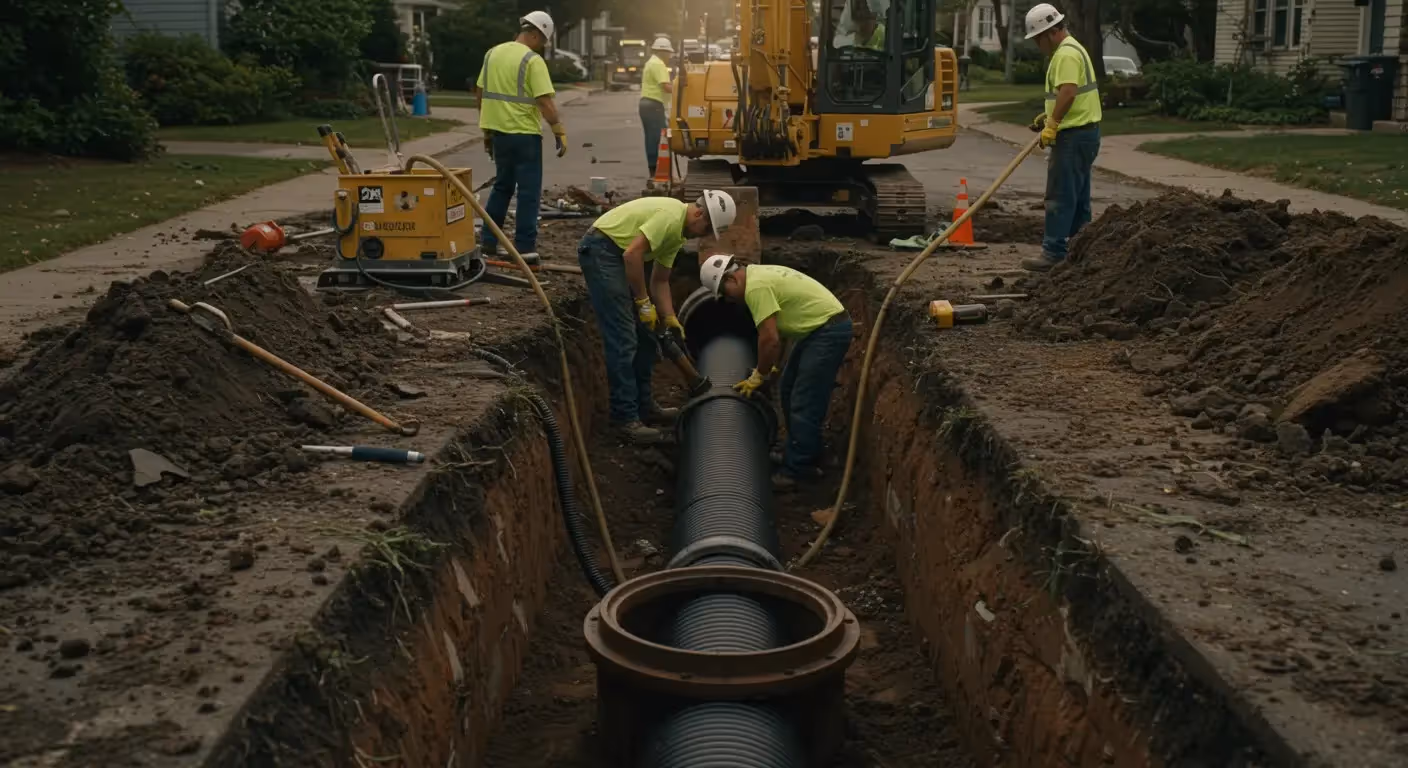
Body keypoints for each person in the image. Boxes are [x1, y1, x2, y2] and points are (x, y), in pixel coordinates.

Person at [579, 191, 738, 444]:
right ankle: (625, 419)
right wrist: (643, 303)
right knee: (623, 338)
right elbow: (632, 255)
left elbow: (661, 280)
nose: (702, 236)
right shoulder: (670, 217)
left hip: (619, 255)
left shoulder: (678, 233)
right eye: (706, 229)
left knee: (646, 337)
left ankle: (644, 407)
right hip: (602, 250)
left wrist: (669, 317)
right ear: (699, 213)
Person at [700, 256, 852, 489]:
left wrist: (759, 376)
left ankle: (798, 470)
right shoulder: (758, 275)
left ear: (731, 278)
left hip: (827, 332)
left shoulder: (755, 288)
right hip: (817, 329)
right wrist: (770, 366)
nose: (729, 299)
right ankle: (800, 448)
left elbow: (769, 338)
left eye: (725, 292)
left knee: (804, 400)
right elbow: (777, 337)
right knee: (788, 388)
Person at [475, 11, 567, 261]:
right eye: (543, 41)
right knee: (528, 191)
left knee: (502, 186)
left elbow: (480, 93)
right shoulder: (532, 61)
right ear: (535, 34)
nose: (542, 47)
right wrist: (558, 130)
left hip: (499, 134)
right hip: (524, 135)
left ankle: (488, 242)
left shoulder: (492, 54)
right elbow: (545, 102)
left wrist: (486, 131)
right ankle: (525, 247)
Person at [1019, 3, 1102, 273]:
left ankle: (1054, 252)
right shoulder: (1074, 48)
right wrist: (1047, 118)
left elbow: (1068, 91)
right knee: (1078, 197)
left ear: (1050, 32)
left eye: (1037, 40)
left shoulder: (1065, 54)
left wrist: (1053, 123)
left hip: (1073, 135)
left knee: (1060, 195)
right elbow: (1067, 97)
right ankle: (1081, 250)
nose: (1037, 46)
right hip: (1084, 133)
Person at [641, 37, 675, 181]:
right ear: (663, 52)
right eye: (668, 53)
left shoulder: (651, 62)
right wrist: (680, 90)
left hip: (646, 104)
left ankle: (653, 171)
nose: (670, 57)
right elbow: (666, 86)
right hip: (654, 104)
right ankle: (659, 174)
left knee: (651, 138)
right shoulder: (658, 64)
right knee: (660, 140)